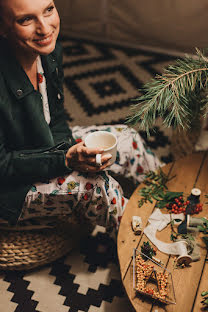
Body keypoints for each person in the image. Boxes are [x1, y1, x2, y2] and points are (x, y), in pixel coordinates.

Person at [0, 0, 161, 236]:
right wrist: (64, 161)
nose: (45, 29)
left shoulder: (49, 51)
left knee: (128, 139)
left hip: (43, 149)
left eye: (48, 10)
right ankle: (148, 246)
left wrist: (74, 154)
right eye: (26, 19)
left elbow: (55, 120)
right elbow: (3, 166)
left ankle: (171, 198)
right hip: (11, 189)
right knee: (97, 186)